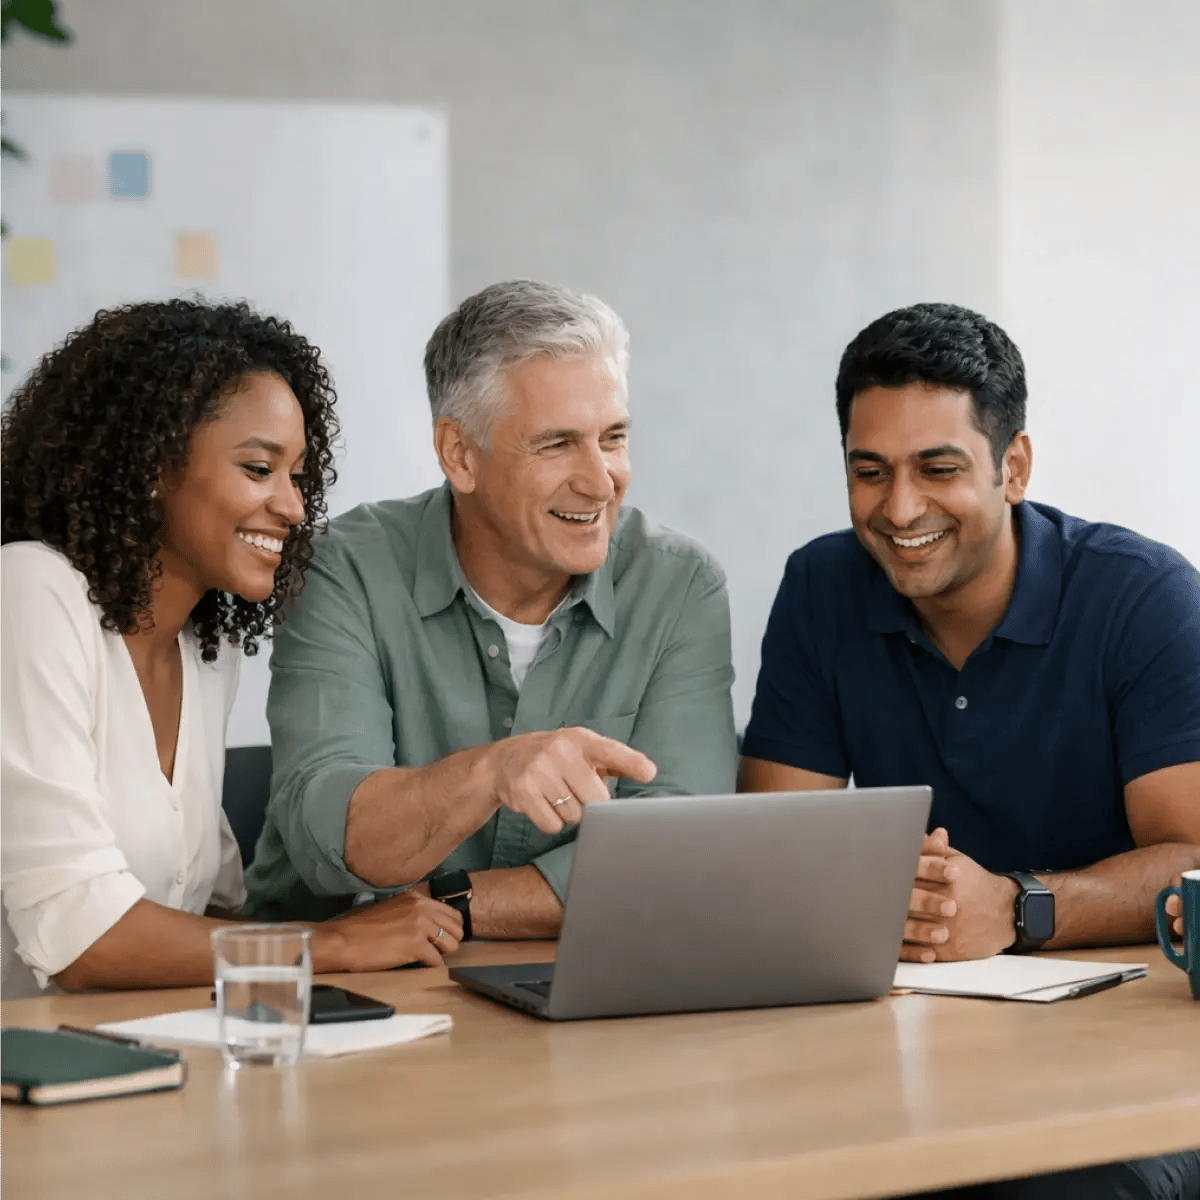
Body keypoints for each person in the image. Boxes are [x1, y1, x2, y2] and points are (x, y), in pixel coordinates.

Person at [739, 301, 1200, 1199]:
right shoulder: (821, 586)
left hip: (1131, 1053)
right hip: (916, 1037)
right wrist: (881, 900)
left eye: (938, 468)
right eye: (869, 471)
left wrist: (1019, 907)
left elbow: (1194, 862)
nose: (899, 508)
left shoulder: (1143, 597)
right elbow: (771, 849)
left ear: (1012, 467)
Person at [0, 299, 464, 999]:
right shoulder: (31, 593)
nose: (294, 507)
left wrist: (369, 948)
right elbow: (82, 942)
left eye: (297, 476)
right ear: (151, 464)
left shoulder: (204, 650)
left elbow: (205, 912)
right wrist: (336, 946)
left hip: (147, 1044)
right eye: (258, 468)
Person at [244, 280, 738, 931]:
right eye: (557, 444)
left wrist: (448, 904)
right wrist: (490, 773)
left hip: (567, 972)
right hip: (342, 977)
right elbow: (330, 834)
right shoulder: (343, 569)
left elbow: (680, 853)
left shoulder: (679, 585)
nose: (600, 482)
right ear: (459, 455)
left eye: (613, 437)